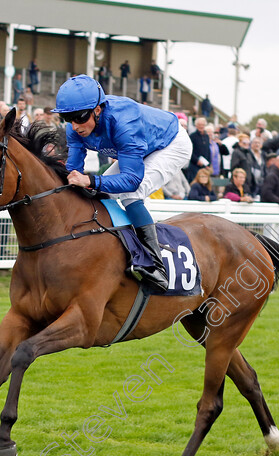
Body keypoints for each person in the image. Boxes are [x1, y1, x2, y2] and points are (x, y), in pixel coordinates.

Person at [53, 74, 191, 292]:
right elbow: (73, 169)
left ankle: (157, 266)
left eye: (79, 117)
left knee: (131, 195)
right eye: (66, 118)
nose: (74, 125)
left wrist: (90, 179)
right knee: (103, 192)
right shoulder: (75, 127)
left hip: (170, 144)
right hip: (141, 148)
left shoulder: (124, 121)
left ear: (98, 110)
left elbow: (132, 181)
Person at [185, 117, 211, 182]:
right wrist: (197, 160)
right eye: (199, 124)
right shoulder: (192, 136)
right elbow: (189, 151)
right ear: (196, 125)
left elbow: (208, 150)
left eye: (203, 125)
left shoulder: (206, 136)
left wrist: (208, 164)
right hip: (194, 166)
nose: (201, 126)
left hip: (204, 166)